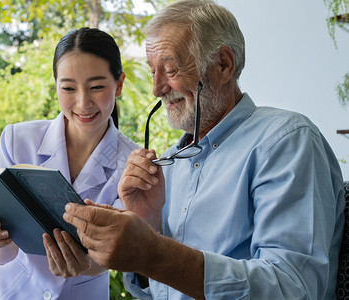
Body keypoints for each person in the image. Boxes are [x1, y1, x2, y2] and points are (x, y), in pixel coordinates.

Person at [61, 1, 346, 299]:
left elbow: (295, 288)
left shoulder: (286, 141)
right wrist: (148, 225)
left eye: (170, 70)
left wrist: (154, 252)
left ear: (224, 64)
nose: (157, 88)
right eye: (153, 72)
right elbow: (156, 292)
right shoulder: (168, 163)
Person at [0, 27, 139, 299]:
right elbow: (2, 255)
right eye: (68, 88)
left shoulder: (134, 165)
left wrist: (86, 264)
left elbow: (116, 255)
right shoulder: (18, 139)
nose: (83, 102)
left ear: (119, 84)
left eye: (97, 87)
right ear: (56, 86)